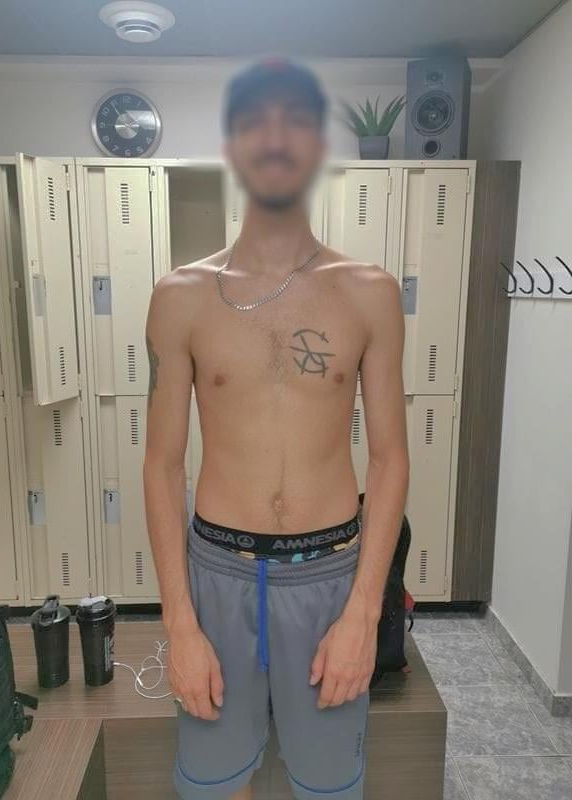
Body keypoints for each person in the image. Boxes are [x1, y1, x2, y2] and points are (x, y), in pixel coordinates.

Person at [143, 56, 409, 800]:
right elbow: (161, 464)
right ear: (231, 146)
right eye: (255, 121)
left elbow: (389, 460)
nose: (275, 137)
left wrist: (365, 612)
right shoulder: (180, 296)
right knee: (213, 785)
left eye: (295, 119)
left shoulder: (369, 293)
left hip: (329, 582)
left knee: (327, 787)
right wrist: (180, 626)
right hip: (218, 577)